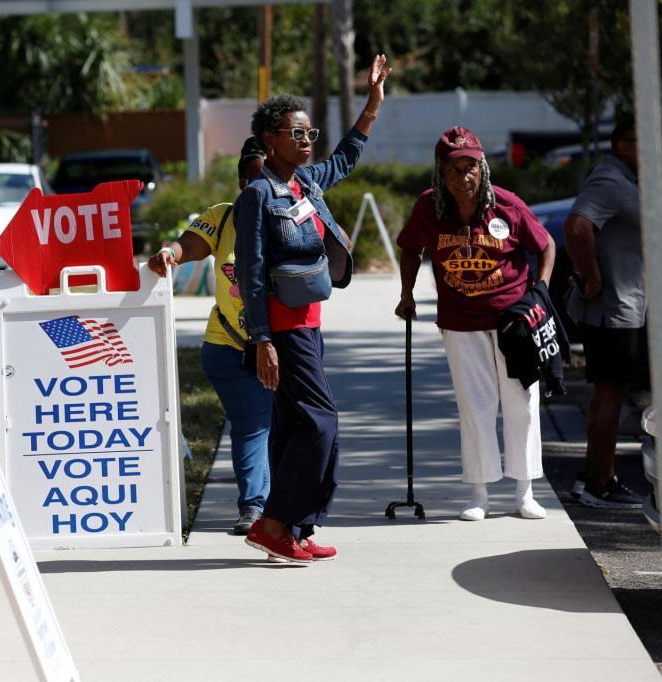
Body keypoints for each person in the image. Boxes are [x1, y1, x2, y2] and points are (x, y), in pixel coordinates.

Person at [233, 54, 391, 563]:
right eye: (294, 133)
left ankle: (294, 530)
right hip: (281, 328)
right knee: (321, 423)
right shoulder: (258, 195)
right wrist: (261, 340)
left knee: (294, 427)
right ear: (269, 139)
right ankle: (274, 523)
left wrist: (371, 105)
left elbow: (346, 157)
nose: (305, 140)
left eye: (309, 133)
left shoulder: (306, 184)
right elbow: (252, 271)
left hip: (309, 324)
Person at [395, 126, 556, 521]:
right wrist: (407, 293)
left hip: (513, 321)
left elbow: (546, 244)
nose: (462, 177)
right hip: (460, 322)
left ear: (482, 168)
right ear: (440, 173)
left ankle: (525, 492)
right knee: (475, 407)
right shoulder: (429, 208)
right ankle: (480, 493)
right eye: (453, 169)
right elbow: (411, 249)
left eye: (470, 167)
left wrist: (542, 292)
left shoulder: (507, 205)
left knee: (521, 403)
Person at [147, 137, 271, 535]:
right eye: (253, 183)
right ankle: (254, 508)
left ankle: (281, 506)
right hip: (228, 344)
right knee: (252, 424)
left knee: (291, 426)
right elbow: (187, 245)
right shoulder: (223, 217)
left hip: (286, 344)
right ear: (240, 185)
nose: (261, 190)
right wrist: (169, 253)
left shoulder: (294, 215)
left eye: (270, 180)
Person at [562, 114, 647, 509]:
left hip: (630, 308)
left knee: (612, 391)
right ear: (623, 144)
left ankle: (592, 476)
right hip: (614, 310)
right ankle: (601, 482)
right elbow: (577, 226)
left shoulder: (629, 180)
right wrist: (591, 276)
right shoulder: (611, 179)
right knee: (610, 393)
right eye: (643, 140)